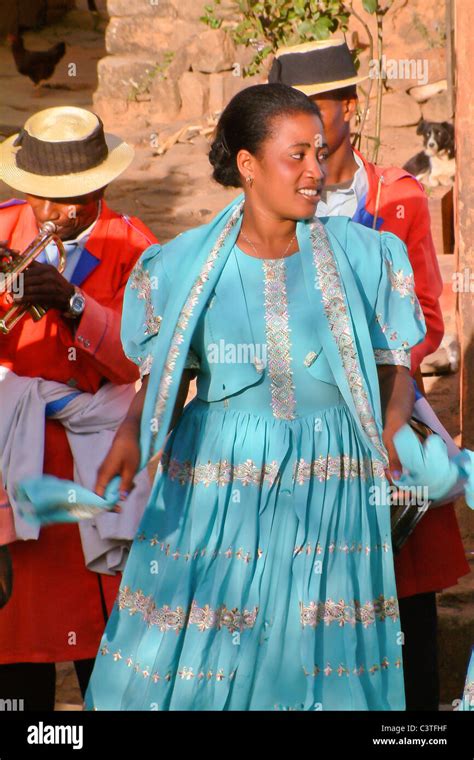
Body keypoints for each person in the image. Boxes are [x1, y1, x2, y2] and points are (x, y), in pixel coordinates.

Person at [84, 83, 426, 711]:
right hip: (219, 489)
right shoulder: (181, 267)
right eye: (295, 156)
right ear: (247, 164)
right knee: (207, 652)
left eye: (319, 155)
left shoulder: (364, 256)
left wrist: (395, 434)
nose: (315, 173)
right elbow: (165, 376)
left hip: (333, 485)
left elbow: (394, 367)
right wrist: (133, 437)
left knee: (316, 655)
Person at [268, 39, 470, 711]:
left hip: (383, 413)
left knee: (405, 608)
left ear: (347, 110)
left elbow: (430, 322)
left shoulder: (400, 198)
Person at [0, 106, 156, 709]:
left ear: (98, 187)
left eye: (64, 201)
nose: (47, 215)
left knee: (109, 655)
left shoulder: (135, 247)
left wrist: (72, 304)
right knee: (17, 659)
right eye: (37, 198)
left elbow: (141, 361)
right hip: (19, 470)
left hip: (98, 466)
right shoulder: (8, 229)